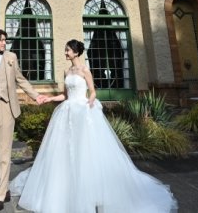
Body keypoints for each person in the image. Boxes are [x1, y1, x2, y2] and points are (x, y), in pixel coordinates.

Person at [12, 39, 178, 213]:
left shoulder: (85, 70)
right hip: (68, 112)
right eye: (65, 50)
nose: (65, 52)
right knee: (66, 149)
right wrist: (49, 98)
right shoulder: (66, 71)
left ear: (76, 52)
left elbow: (92, 91)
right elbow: (65, 95)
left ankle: (90, 191)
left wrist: (90, 101)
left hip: (83, 111)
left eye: (68, 50)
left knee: (85, 150)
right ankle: (67, 188)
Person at [0, 28, 48, 213]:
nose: (5, 43)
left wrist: (35, 95)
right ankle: (4, 190)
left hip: (7, 108)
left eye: (5, 40)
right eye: (2, 40)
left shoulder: (11, 57)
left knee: (4, 151)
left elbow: (20, 79)